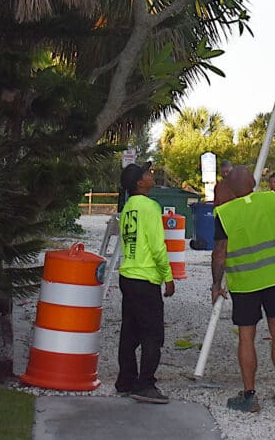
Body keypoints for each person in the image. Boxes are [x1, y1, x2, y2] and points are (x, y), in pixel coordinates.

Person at [211, 167, 275, 413]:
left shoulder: (224, 214)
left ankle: (250, 395)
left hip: (245, 283)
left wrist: (216, 285)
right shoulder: (271, 199)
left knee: (246, 337)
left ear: (229, 189)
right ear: (254, 181)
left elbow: (220, 255)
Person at [116, 161, 175, 404]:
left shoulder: (129, 206)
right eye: (147, 173)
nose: (151, 175)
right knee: (152, 334)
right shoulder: (150, 207)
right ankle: (145, 383)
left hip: (127, 274)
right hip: (145, 277)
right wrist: (168, 277)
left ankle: (125, 380)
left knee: (129, 332)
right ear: (140, 183)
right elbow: (157, 246)